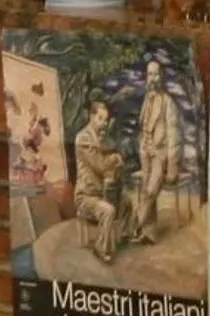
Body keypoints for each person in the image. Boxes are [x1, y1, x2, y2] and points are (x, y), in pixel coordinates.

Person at [130, 56, 181, 244]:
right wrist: (142, 146)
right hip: (145, 153)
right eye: (149, 74)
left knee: (151, 192)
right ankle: (149, 233)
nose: (152, 78)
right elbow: (143, 127)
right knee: (145, 191)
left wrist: (173, 168)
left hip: (161, 156)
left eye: (156, 74)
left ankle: (132, 227)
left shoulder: (168, 102)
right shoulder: (146, 100)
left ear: (161, 77)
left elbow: (174, 136)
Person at [72, 97, 124, 263]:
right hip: (85, 197)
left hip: (100, 193)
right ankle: (101, 247)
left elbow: (106, 154)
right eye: (100, 118)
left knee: (127, 203)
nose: (103, 123)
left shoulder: (100, 138)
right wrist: (115, 158)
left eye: (105, 120)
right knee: (108, 210)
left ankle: (120, 237)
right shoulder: (83, 138)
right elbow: (101, 165)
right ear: (91, 116)